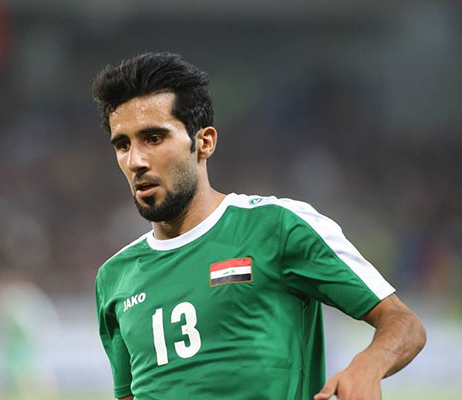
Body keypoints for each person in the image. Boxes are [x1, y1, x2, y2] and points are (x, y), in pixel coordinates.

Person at [92, 52, 425, 400]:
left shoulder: (278, 227)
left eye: (154, 138)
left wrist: (368, 365)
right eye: (123, 144)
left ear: (204, 142)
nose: (135, 161)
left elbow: (404, 323)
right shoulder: (114, 278)